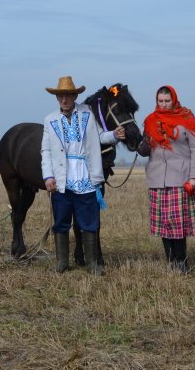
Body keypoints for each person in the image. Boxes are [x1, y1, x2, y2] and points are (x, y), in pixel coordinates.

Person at [41, 76, 125, 275]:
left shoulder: (88, 114)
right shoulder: (49, 120)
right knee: (61, 221)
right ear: (57, 98)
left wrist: (114, 135)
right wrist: (48, 176)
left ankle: (92, 263)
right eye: (61, 96)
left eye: (68, 95)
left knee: (89, 221)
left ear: (75, 96)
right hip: (62, 179)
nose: (64, 100)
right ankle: (62, 262)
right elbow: (46, 151)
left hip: (86, 176)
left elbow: (100, 136)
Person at [140, 85, 195, 273]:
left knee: (177, 224)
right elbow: (145, 149)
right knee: (163, 224)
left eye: (167, 101)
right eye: (160, 101)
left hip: (180, 177)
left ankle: (182, 262)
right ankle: (170, 261)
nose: (163, 104)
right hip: (157, 178)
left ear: (174, 100)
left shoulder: (186, 118)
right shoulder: (150, 120)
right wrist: (142, 144)